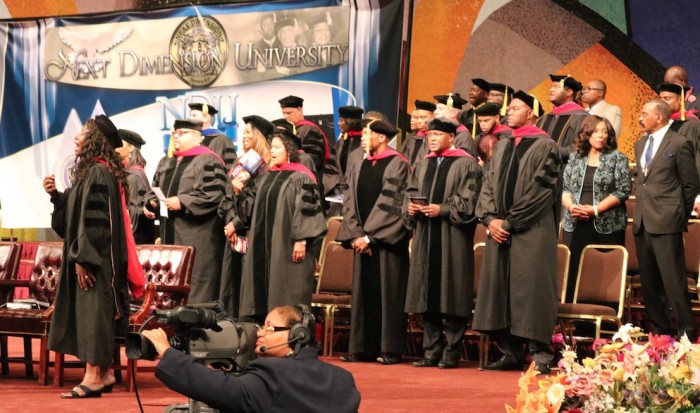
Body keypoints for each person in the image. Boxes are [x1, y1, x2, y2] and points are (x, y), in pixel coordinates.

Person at [43, 115, 145, 398]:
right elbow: (74, 219)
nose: (76, 138)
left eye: (83, 134)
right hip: (91, 258)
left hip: (96, 262)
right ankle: (105, 373)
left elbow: (95, 225)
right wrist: (56, 197)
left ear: (96, 141)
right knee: (92, 315)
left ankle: (93, 377)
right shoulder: (91, 172)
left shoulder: (98, 173)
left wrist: (84, 259)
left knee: (93, 316)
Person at [473, 91, 562, 374]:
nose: (508, 112)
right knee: (499, 289)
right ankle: (509, 352)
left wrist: (508, 223)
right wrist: (489, 219)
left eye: (515, 108)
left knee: (532, 288)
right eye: (508, 108)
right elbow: (487, 184)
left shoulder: (546, 146)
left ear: (532, 113)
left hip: (531, 229)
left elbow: (541, 192)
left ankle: (540, 353)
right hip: (499, 229)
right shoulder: (501, 145)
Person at [141, 305, 361, 413]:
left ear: (297, 335)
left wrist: (168, 353)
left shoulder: (274, 374)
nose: (261, 332)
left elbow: (223, 389)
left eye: (270, 327)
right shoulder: (344, 380)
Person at [404, 117, 483, 369]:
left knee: (452, 292)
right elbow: (411, 190)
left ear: (451, 137)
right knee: (427, 293)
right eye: (430, 135)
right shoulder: (424, 164)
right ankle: (431, 350)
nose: (433, 138)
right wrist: (411, 207)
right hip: (426, 236)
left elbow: (470, 202)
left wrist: (444, 209)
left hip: (452, 237)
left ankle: (451, 351)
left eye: (438, 134)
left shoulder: (466, 164)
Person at [337, 119, 411, 365]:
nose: (363, 138)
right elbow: (349, 201)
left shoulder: (397, 164)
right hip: (362, 241)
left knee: (388, 294)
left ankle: (389, 349)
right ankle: (362, 348)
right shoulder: (359, 163)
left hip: (386, 244)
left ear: (382, 137)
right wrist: (357, 235)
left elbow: (392, 205)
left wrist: (369, 237)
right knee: (363, 294)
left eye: (368, 134)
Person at [237, 131, 326, 323]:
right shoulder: (267, 176)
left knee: (286, 288)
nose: (273, 151)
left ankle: (291, 333)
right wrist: (239, 191)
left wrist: (301, 240)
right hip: (264, 245)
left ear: (290, 151)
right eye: (272, 148)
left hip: (287, 246)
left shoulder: (301, 176)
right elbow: (251, 211)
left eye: (277, 147)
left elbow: (307, 210)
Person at [633, 99, 700, 340]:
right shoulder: (640, 145)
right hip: (642, 221)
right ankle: (660, 331)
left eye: (644, 113)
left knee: (673, 281)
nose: (640, 118)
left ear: (659, 117)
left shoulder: (680, 143)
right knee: (649, 283)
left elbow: (690, 184)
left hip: (667, 221)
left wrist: (677, 214)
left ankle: (686, 332)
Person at [149, 119, 227, 304]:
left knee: (195, 281)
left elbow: (214, 194)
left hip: (197, 235)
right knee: (171, 278)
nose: (176, 136)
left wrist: (182, 201)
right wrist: (150, 202)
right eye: (175, 133)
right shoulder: (166, 162)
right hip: (169, 233)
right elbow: (154, 188)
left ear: (196, 137)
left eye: (182, 133)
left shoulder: (208, 160)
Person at [561, 115, 631, 302]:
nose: (601, 136)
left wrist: (596, 209)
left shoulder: (617, 158)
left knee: (600, 270)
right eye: (596, 132)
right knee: (574, 267)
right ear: (586, 134)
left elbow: (623, 190)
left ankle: (604, 311)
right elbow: (565, 188)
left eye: (605, 132)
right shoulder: (575, 158)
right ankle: (572, 312)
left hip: (606, 222)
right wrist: (571, 206)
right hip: (575, 220)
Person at [218, 115, 274, 318]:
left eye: (249, 132)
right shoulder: (241, 164)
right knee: (233, 283)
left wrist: (236, 222)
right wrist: (230, 221)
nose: (244, 136)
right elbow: (227, 196)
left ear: (259, 136)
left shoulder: (267, 168)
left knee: (250, 284)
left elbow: (258, 203)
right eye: (243, 132)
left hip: (252, 232)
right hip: (234, 235)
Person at [278, 95, 330, 187]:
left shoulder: (310, 130)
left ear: (299, 109)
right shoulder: (290, 131)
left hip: (309, 182)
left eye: (289, 113)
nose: (285, 117)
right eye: (283, 113)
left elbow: (313, 161)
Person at [116, 129, 156, 244]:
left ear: (130, 148)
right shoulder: (124, 173)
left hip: (136, 237)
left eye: (119, 143)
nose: (115, 147)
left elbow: (135, 208)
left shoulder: (135, 176)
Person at [536, 74, 588, 162]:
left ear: (569, 92)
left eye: (556, 87)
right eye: (551, 86)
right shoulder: (545, 118)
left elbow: (581, 146)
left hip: (561, 168)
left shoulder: (581, 117)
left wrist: (556, 152)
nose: (551, 90)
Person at [657, 82, 700, 177]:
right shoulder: (660, 123)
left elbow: (691, 159)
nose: (662, 102)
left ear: (680, 100)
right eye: (660, 98)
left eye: (667, 98)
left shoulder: (690, 124)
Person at [189, 102, 238, 171]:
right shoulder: (189, 140)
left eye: (194, 115)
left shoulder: (221, 140)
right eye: (190, 115)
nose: (190, 118)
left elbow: (231, 168)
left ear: (206, 118)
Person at [433, 93, 477, 157]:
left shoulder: (463, 137)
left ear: (453, 113)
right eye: (436, 108)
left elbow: (462, 163)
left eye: (441, 109)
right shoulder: (434, 133)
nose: (435, 112)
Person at [473, 102, 512, 167]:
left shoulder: (508, 136)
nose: (482, 124)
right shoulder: (479, 138)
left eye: (486, 120)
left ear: (497, 117)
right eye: (480, 121)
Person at [399, 99, 435, 166]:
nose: (419, 121)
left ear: (433, 117)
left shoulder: (435, 138)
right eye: (417, 118)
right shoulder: (411, 137)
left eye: (423, 117)